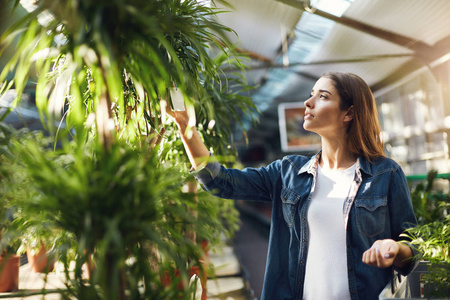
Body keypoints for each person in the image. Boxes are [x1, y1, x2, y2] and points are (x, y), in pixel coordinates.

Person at [168, 72, 419, 300]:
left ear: (349, 113)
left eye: (322, 96)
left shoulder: (386, 173)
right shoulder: (288, 172)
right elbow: (221, 182)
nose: (308, 103)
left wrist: (396, 248)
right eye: (311, 95)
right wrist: (186, 130)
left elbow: (414, 246)